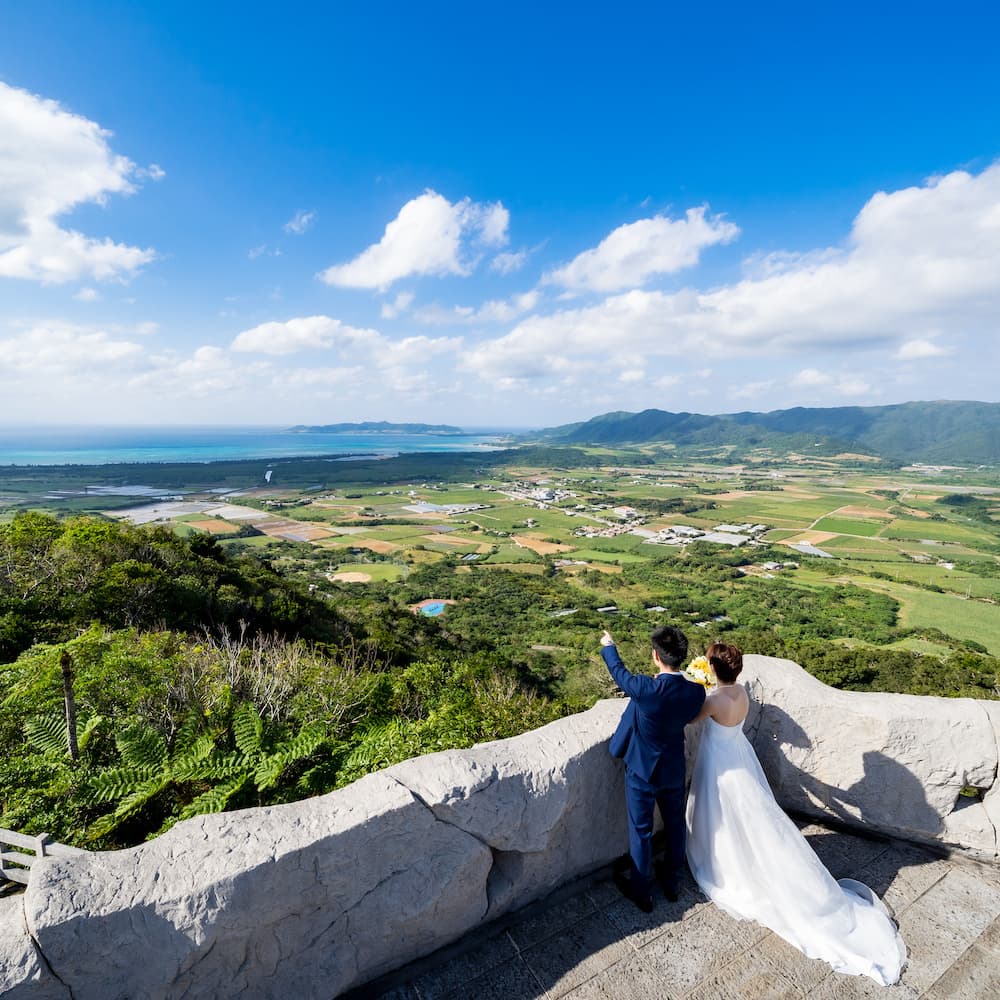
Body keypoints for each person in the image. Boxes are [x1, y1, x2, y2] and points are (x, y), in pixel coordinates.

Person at [686, 642, 906, 986]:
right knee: (750, 819)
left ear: (713, 669)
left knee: (723, 813)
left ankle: (728, 866)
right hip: (736, 754)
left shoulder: (714, 700)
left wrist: (695, 686)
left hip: (720, 763)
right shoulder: (740, 693)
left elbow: (689, 714)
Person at [600, 626, 705, 912]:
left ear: (655, 656)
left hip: (641, 770)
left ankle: (642, 891)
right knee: (674, 825)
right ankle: (672, 882)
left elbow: (619, 673)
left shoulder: (647, 689)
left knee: (641, 830)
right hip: (673, 767)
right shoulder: (696, 692)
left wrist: (609, 645)